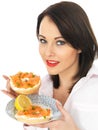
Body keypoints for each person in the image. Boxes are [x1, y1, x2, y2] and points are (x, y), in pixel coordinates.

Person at [2, 1, 98, 130]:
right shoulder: (43, 87)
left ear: (80, 44)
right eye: (43, 40)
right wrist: (31, 104)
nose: (48, 52)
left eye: (60, 42)